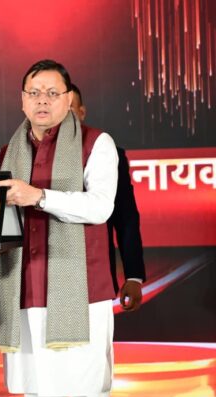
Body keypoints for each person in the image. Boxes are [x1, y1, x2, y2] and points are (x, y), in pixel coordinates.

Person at [0, 59, 118, 397]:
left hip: (83, 292)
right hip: (24, 290)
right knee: (36, 391)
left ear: (68, 99)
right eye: (34, 93)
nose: (42, 101)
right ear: (22, 99)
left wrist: (39, 197)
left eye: (52, 93)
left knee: (88, 390)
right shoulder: (6, 154)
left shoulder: (96, 143)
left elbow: (100, 207)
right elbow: (2, 222)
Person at [70, 83, 145, 311]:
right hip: (40, 280)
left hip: (96, 276)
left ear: (82, 112)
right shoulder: (28, 155)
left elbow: (125, 217)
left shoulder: (107, 152)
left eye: (70, 109)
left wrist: (133, 275)